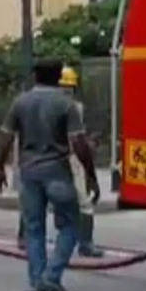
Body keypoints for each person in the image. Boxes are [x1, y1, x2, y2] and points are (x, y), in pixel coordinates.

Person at [0, 59, 100, 291]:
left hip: (29, 172)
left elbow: (6, 137)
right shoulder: (66, 104)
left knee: (34, 229)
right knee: (71, 224)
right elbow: (79, 143)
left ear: (35, 77)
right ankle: (52, 275)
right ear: (58, 78)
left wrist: (0, 167)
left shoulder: (21, 102)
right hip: (57, 171)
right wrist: (91, 176)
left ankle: (37, 281)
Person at [59, 67, 105, 258]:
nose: (66, 92)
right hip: (64, 158)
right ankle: (85, 243)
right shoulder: (73, 108)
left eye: (69, 88)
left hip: (67, 158)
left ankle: (85, 243)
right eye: (64, 88)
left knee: (83, 202)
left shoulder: (74, 108)